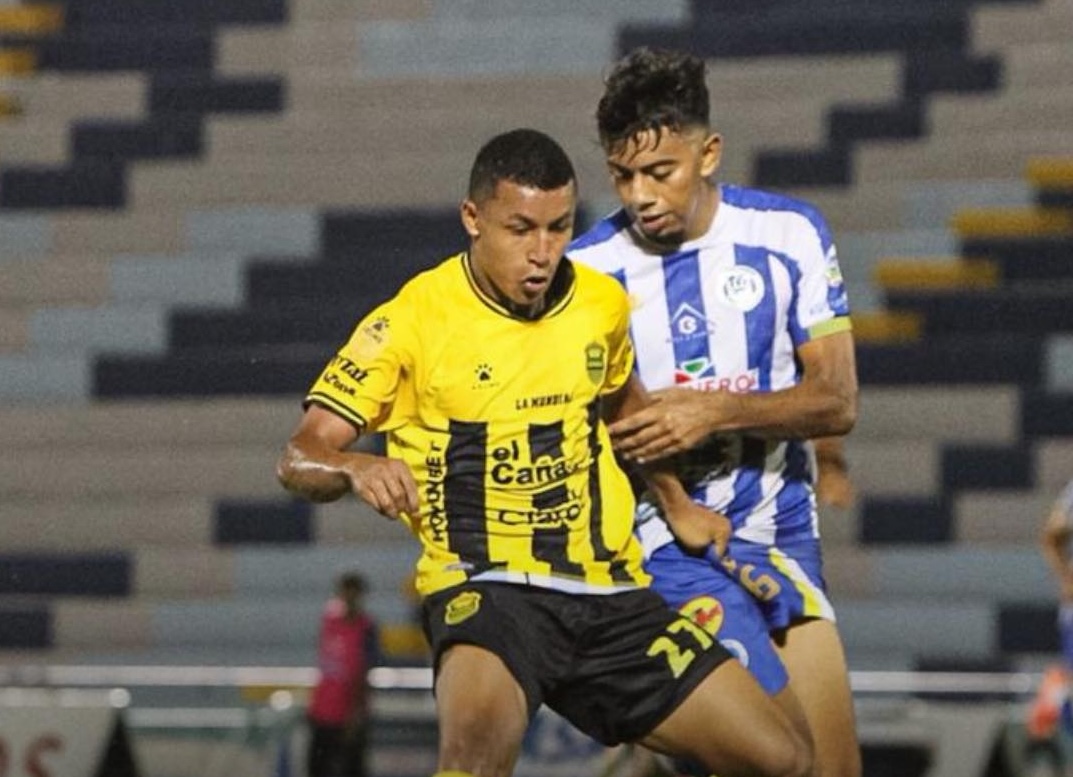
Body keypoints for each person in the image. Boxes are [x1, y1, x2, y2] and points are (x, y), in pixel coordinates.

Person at [277, 127, 812, 777]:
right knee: (473, 757)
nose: (542, 252)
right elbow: (299, 455)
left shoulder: (599, 303)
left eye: (558, 228)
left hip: (607, 594)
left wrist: (676, 504)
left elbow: (623, 406)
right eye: (520, 228)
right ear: (472, 218)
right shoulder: (411, 321)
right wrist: (353, 465)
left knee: (782, 759)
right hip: (486, 590)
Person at [568, 48, 861, 777]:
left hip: (780, 530)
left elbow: (837, 400)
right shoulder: (589, 271)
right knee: (772, 760)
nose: (640, 195)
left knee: (832, 768)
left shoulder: (789, 234)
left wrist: (713, 412)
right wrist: (669, 493)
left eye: (658, 171)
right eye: (622, 175)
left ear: (708, 153)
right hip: (659, 539)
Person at [307, 572, 380, 777]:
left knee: (351, 768)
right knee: (318, 768)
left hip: (350, 714)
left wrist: (356, 714)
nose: (349, 598)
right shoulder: (329, 621)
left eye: (353, 593)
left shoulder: (366, 628)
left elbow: (364, 673)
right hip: (323, 710)